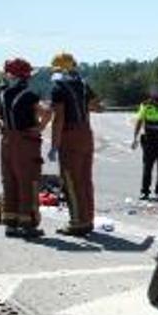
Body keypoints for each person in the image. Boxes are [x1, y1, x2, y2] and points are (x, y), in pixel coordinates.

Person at [0, 58, 50, 238]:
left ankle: (10, 223)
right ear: (24, 77)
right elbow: (47, 112)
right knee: (28, 181)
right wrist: (40, 128)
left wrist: (0, 127)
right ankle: (28, 224)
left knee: (9, 181)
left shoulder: (1, 96)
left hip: (7, 140)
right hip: (26, 141)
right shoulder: (29, 95)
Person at [48, 52, 100, 237]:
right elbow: (97, 105)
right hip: (86, 132)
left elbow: (58, 119)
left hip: (70, 135)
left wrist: (54, 144)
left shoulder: (58, 87)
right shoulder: (84, 85)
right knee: (85, 180)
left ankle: (77, 223)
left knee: (71, 180)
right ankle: (88, 220)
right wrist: (80, 104)